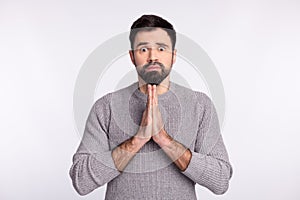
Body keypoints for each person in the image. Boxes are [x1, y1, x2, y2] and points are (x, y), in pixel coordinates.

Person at [69, 14, 233, 199]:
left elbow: (220, 180)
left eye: (161, 48)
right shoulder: (106, 107)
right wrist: (138, 139)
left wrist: (164, 139)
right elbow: (81, 181)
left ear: (173, 56)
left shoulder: (200, 105)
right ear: (132, 57)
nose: (153, 57)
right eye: (143, 49)